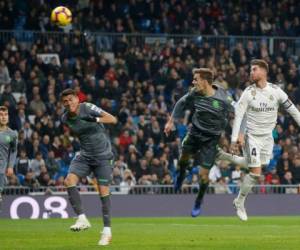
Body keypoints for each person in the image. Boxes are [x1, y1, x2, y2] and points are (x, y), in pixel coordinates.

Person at [230, 59, 300, 221]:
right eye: (251, 70)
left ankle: (225, 157)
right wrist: (234, 139)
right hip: (252, 136)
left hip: (268, 137)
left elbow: (293, 111)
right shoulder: (248, 93)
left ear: (263, 71)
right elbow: (239, 116)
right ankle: (239, 202)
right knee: (255, 173)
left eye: (254, 70)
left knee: (262, 165)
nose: (251, 73)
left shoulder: (276, 91)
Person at [164, 68, 235, 217]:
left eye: (196, 79)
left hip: (211, 140)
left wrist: (239, 134)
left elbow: (239, 112)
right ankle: (180, 176)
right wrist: (170, 122)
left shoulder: (224, 98)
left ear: (205, 81)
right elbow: (180, 103)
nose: (193, 82)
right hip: (195, 133)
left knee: (204, 176)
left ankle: (198, 201)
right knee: (183, 160)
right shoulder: (194, 93)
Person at [61, 88, 117, 245]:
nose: (68, 103)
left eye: (71, 99)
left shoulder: (87, 108)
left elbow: (112, 119)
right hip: (85, 155)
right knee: (69, 180)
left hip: (103, 156)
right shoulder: (65, 118)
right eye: (65, 101)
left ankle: (107, 232)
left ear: (77, 99)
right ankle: (82, 218)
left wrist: (95, 120)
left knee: (103, 190)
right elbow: (77, 132)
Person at [0, 106, 18, 211]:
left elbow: (14, 150)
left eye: (6, 114)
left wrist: (10, 166)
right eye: (1, 115)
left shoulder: (12, 134)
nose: (3, 117)